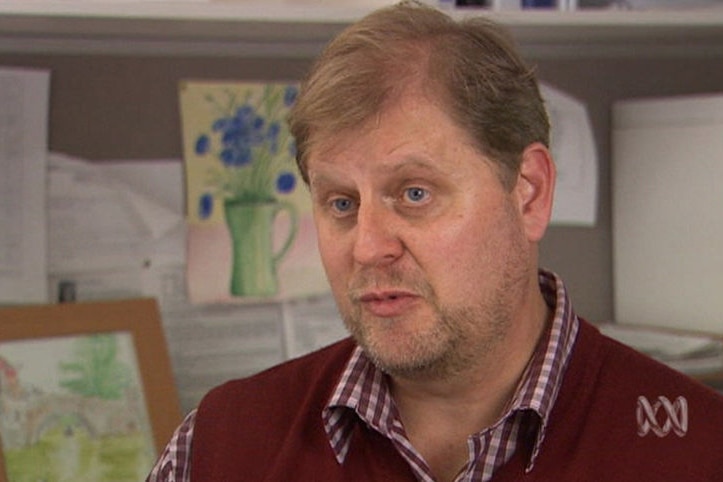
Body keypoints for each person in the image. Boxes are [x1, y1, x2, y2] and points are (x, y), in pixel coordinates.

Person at [146, 2, 723, 481]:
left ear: (529, 193)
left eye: (414, 194)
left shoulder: (696, 449)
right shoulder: (220, 445)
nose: (369, 247)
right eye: (342, 204)